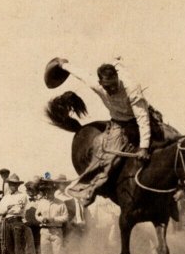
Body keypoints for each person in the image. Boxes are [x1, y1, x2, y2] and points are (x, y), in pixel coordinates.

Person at [48, 57, 171, 206]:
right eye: (107, 87)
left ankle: (181, 188)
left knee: (173, 138)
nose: (112, 90)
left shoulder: (131, 88)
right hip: (118, 124)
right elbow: (82, 75)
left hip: (140, 118)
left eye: (114, 85)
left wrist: (144, 147)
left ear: (117, 78)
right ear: (101, 84)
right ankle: (89, 188)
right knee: (107, 158)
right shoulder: (97, 85)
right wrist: (63, 65)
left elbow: (142, 119)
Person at [0, 174, 28, 254]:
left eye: (15, 184)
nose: (12, 186)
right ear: (9, 185)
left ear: (18, 185)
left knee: (18, 247)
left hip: (17, 221)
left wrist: (7, 210)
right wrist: (7, 208)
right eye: (11, 184)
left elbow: (19, 209)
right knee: (8, 247)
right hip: (7, 221)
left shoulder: (22, 195)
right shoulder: (5, 197)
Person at [35, 179, 69, 254]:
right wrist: (42, 219)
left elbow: (66, 217)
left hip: (56, 231)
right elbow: (37, 215)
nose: (49, 193)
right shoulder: (42, 203)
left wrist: (54, 219)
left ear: (54, 191)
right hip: (44, 231)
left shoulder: (61, 203)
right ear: (45, 192)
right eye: (47, 191)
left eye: (51, 191)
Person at [53, 174, 86, 246]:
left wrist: (78, 221)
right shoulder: (54, 196)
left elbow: (77, 212)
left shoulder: (71, 197)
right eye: (60, 184)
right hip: (57, 226)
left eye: (64, 184)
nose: (62, 186)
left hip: (68, 225)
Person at [23, 178, 42, 254]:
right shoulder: (24, 201)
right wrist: (25, 222)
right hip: (28, 227)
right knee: (29, 248)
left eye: (32, 190)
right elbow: (22, 214)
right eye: (28, 190)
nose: (30, 192)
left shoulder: (40, 201)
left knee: (39, 246)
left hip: (38, 227)